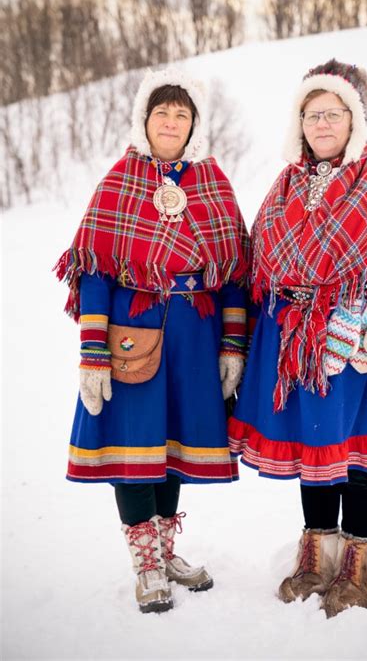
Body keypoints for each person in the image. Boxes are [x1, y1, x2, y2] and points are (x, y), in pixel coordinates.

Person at [228, 59, 367, 617]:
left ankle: (358, 566)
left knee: (357, 456)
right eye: (312, 114)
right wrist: (252, 346)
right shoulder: (285, 187)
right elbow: (261, 266)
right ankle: (316, 555)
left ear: (355, 119)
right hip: (296, 345)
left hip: (360, 347)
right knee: (315, 450)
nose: (322, 124)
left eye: (334, 113)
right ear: (298, 122)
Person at [54, 68, 249, 614]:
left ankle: (165, 552)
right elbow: (93, 270)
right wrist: (92, 353)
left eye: (182, 114)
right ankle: (145, 563)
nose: (171, 121)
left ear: (195, 124)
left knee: (174, 446)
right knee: (135, 443)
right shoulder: (119, 181)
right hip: (131, 331)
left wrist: (233, 345)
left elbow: (237, 269)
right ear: (145, 119)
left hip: (194, 332)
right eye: (162, 112)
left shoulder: (213, 182)